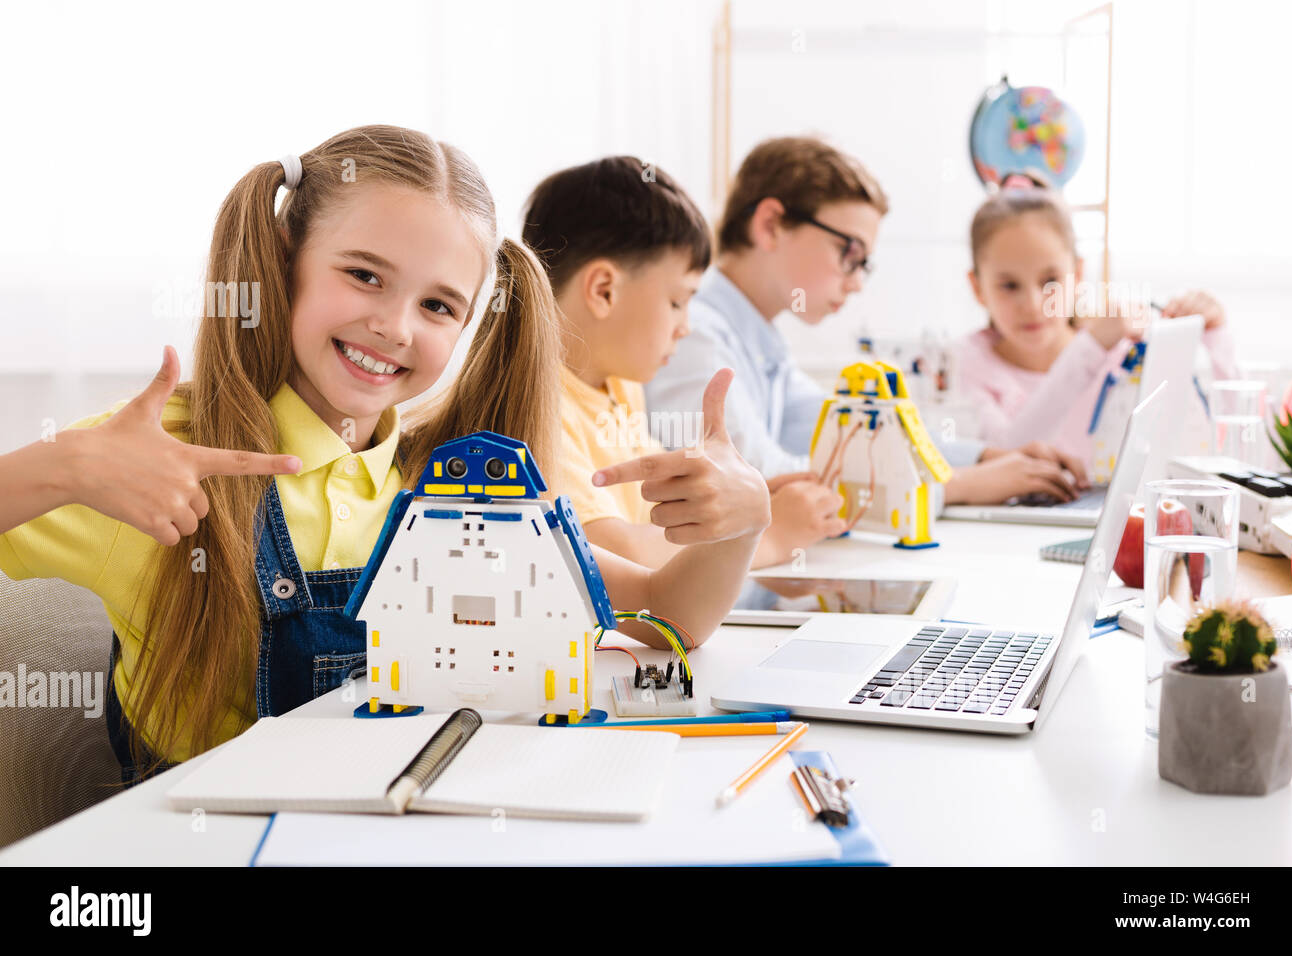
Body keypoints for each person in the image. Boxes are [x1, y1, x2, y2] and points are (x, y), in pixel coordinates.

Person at [0, 126, 769, 784]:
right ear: (285, 257)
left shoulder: (456, 484)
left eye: (437, 305)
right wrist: (66, 465)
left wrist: (744, 516)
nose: (395, 326)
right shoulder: (164, 455)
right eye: (364, 275)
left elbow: (670, 616)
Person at [646, 136, 1091, 511]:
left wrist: (990, 456)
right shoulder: (694, 334)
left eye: (865, 264)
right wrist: (962, 485)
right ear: (771, 224)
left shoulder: (760, 342)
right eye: (850, 254)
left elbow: (854, 429)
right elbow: (751, 479)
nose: (857, 282)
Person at [521, 156, 845, 570]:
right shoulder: (536, 411)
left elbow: (664, 507)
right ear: (603, 290)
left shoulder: (620, 387)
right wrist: (772, 535)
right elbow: (610, 555)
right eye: (676, 302)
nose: (685, 327)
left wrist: (751, 495)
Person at [957, 171, 1237, 463]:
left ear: (1077, 275)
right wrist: (1090, 347)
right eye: (1009, 286)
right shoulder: (965, 365)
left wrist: (1216, 338)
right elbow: (1009, 456)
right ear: (977, 287)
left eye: (1050, 280)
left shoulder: (1117, 358)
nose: (1033, 304)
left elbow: (1237, 453)